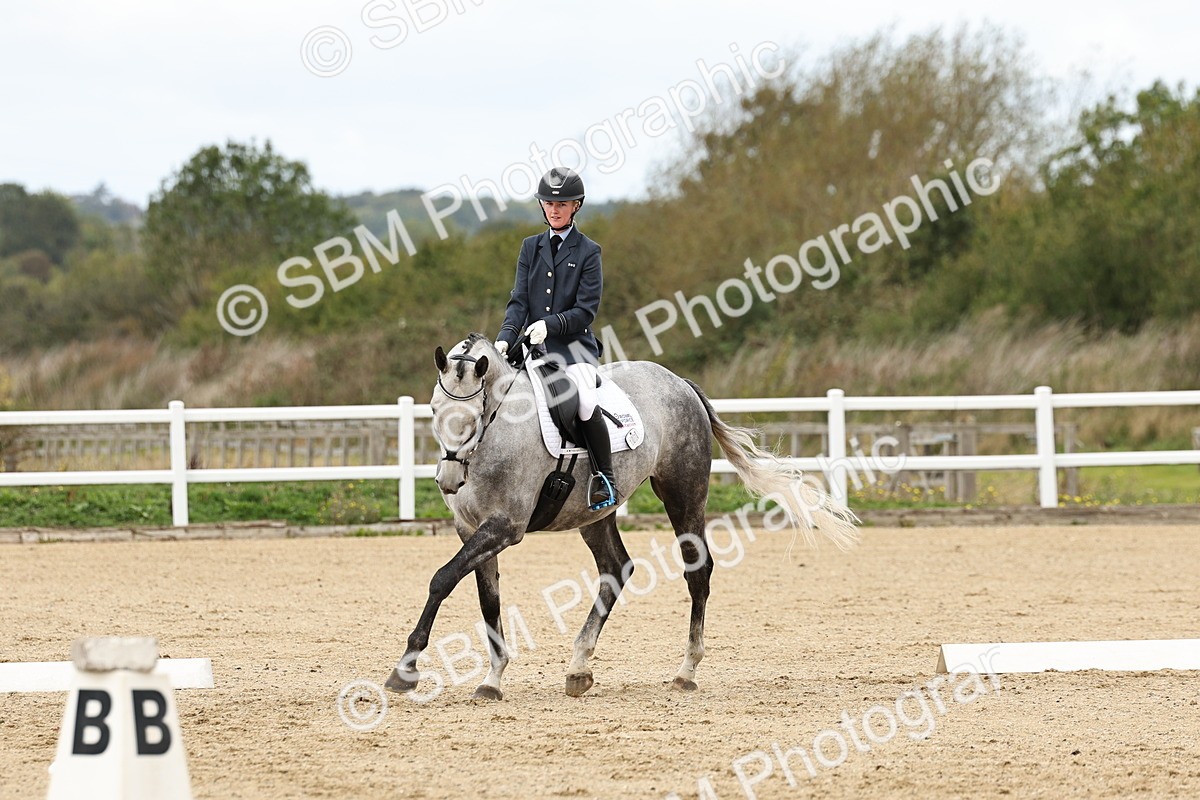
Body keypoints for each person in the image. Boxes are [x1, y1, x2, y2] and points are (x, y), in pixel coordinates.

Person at [494, 167, 617, 510]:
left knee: (584, 402)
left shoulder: (589, 251)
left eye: (561, 204)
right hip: (532, 349)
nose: (554, 209)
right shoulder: (530, 247)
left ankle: (604, 478)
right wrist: (504, 339)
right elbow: (519, 301)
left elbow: (586, 311)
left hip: (574, 349)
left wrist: (551, 324)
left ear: (576, 206)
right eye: (548, 203)